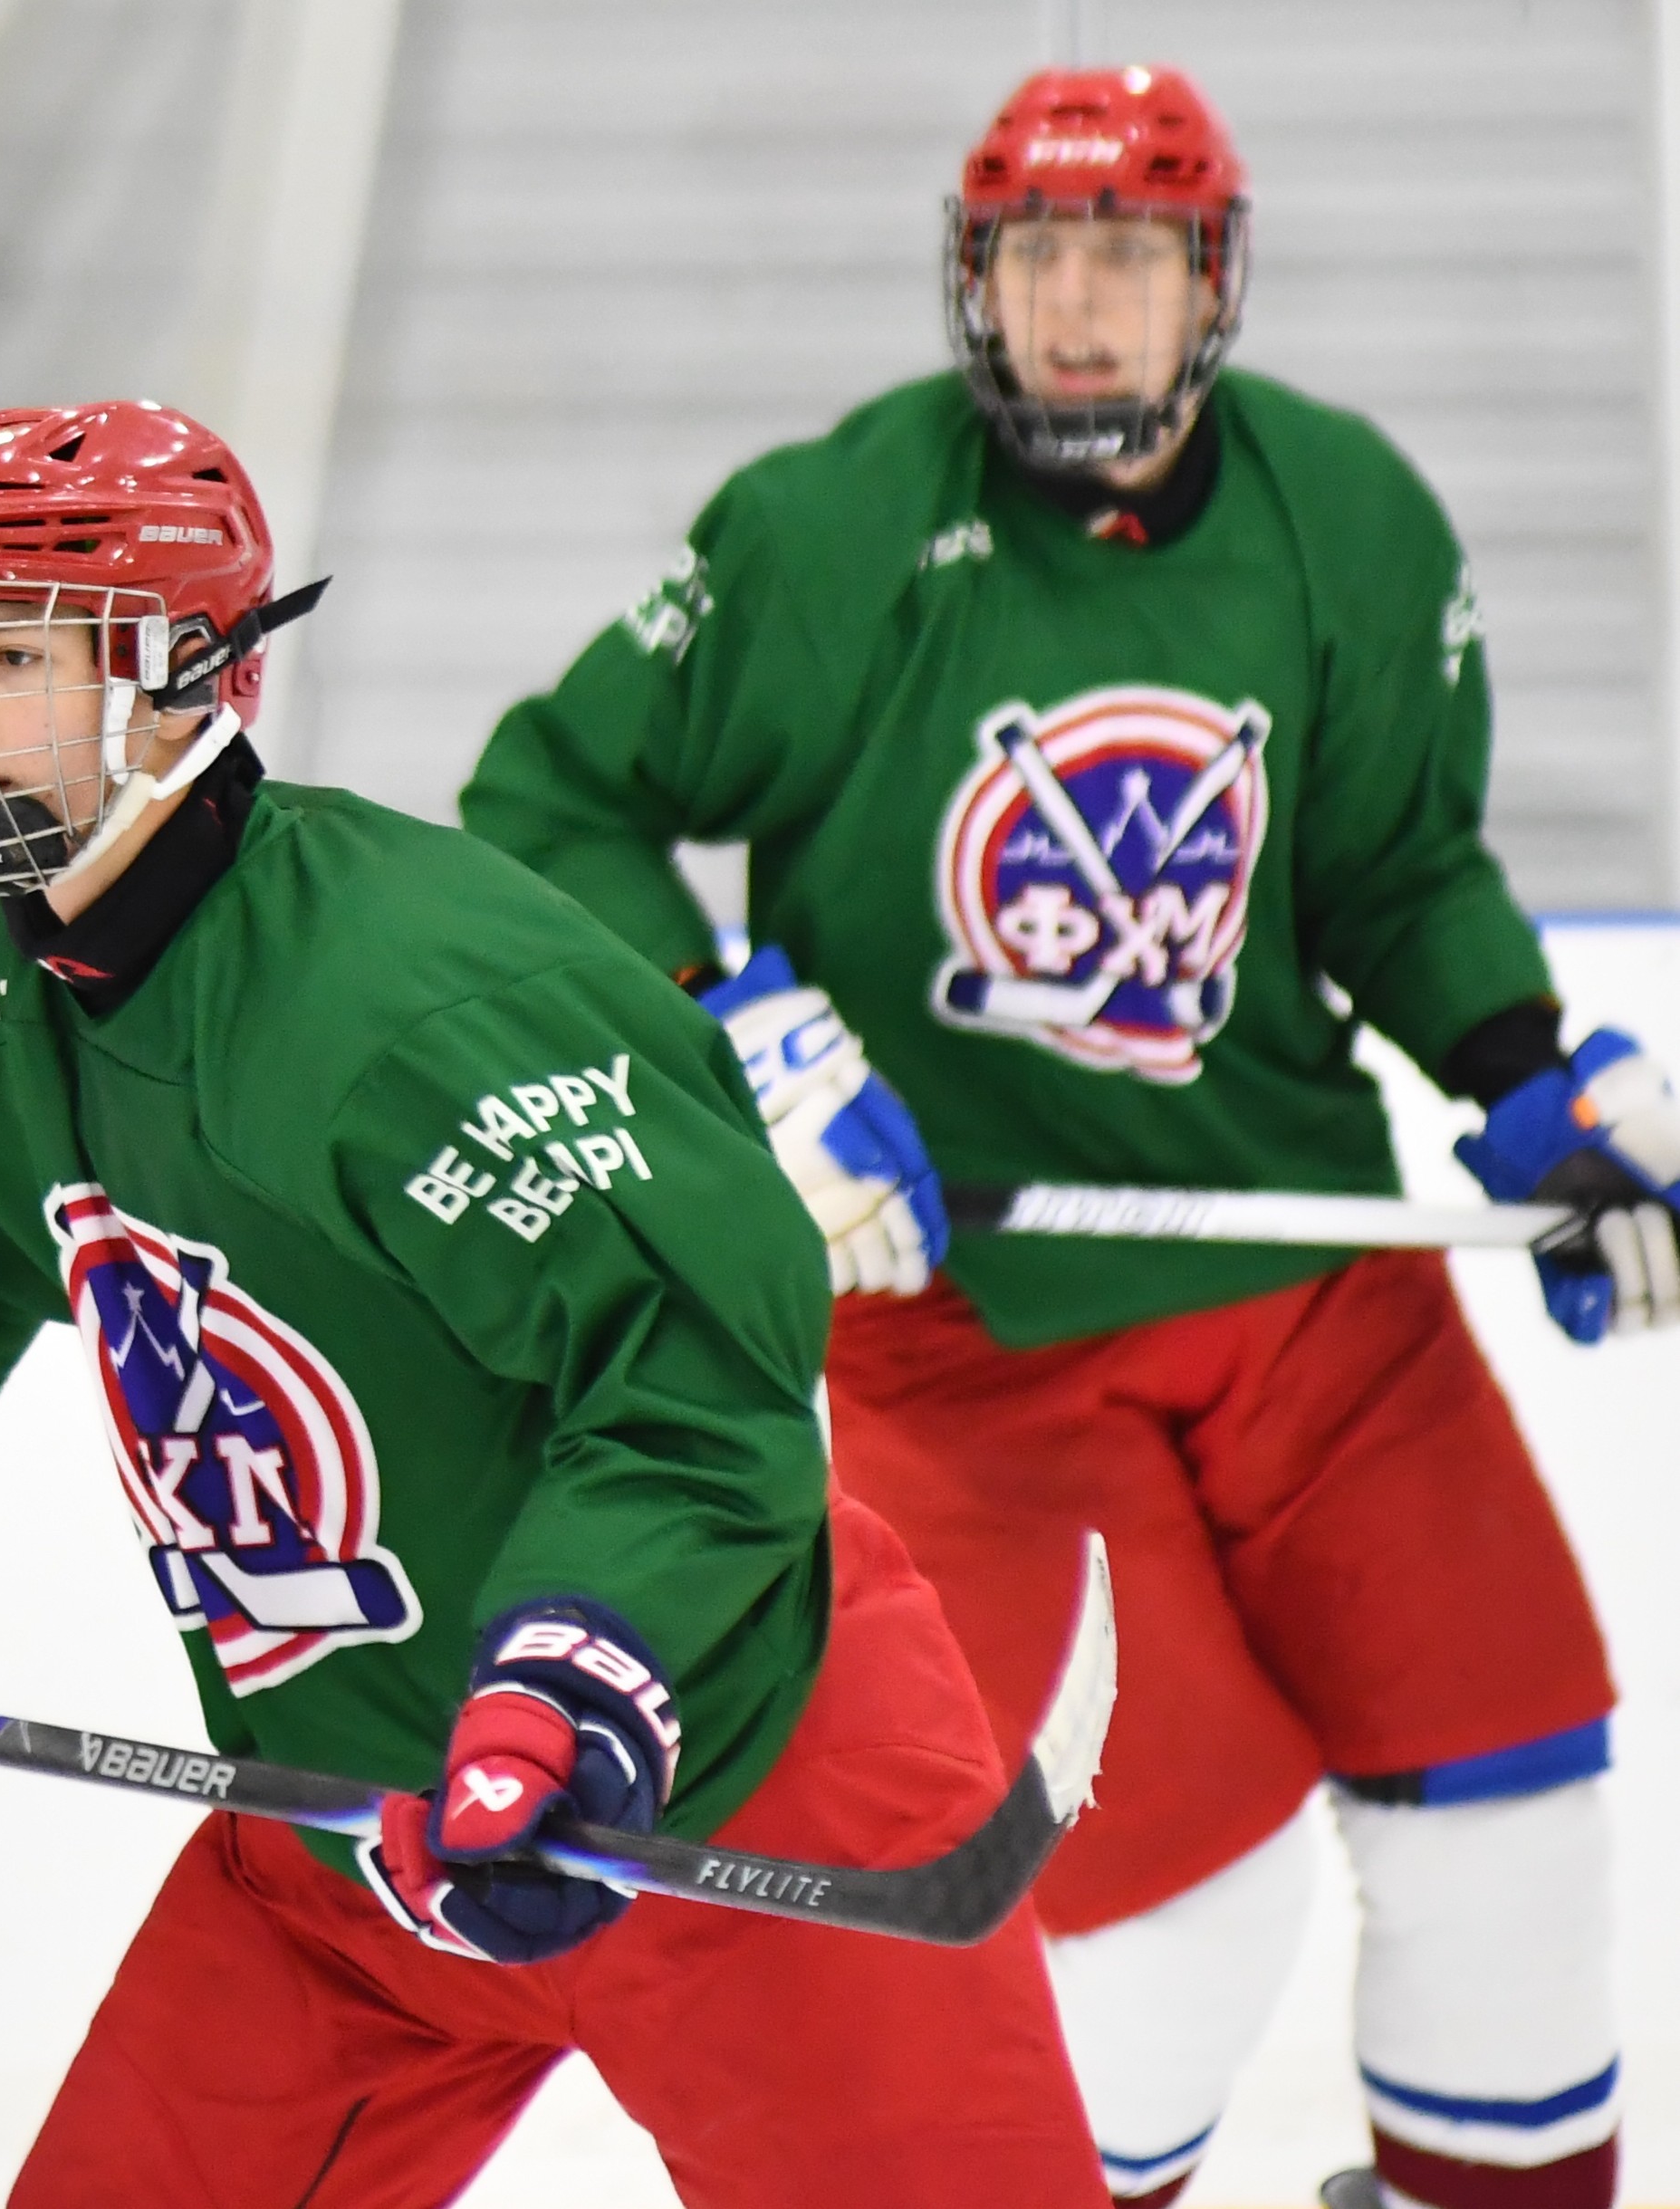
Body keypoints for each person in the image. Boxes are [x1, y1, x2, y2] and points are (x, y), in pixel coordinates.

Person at [0, 399, 1112, 2206]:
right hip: (338, 1840)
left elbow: (689, 1384)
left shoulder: (419, 1004)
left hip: (726, 1774)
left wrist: (569, 1685)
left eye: (12, 655)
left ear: (186, 680)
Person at [461, 63, 1680, 2209]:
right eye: (1035, 255)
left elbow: (1387, 868)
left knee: (1507, 1801)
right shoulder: (832, 528)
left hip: (1308, 1282)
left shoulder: (1347, 515)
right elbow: (551, 802)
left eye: (1125, 254)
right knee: (1161, 1893)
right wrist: (728, 1021)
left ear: (1207, 283)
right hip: (964, 1325)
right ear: (975, 277)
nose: (1077, 308)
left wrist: (1525, 1075)